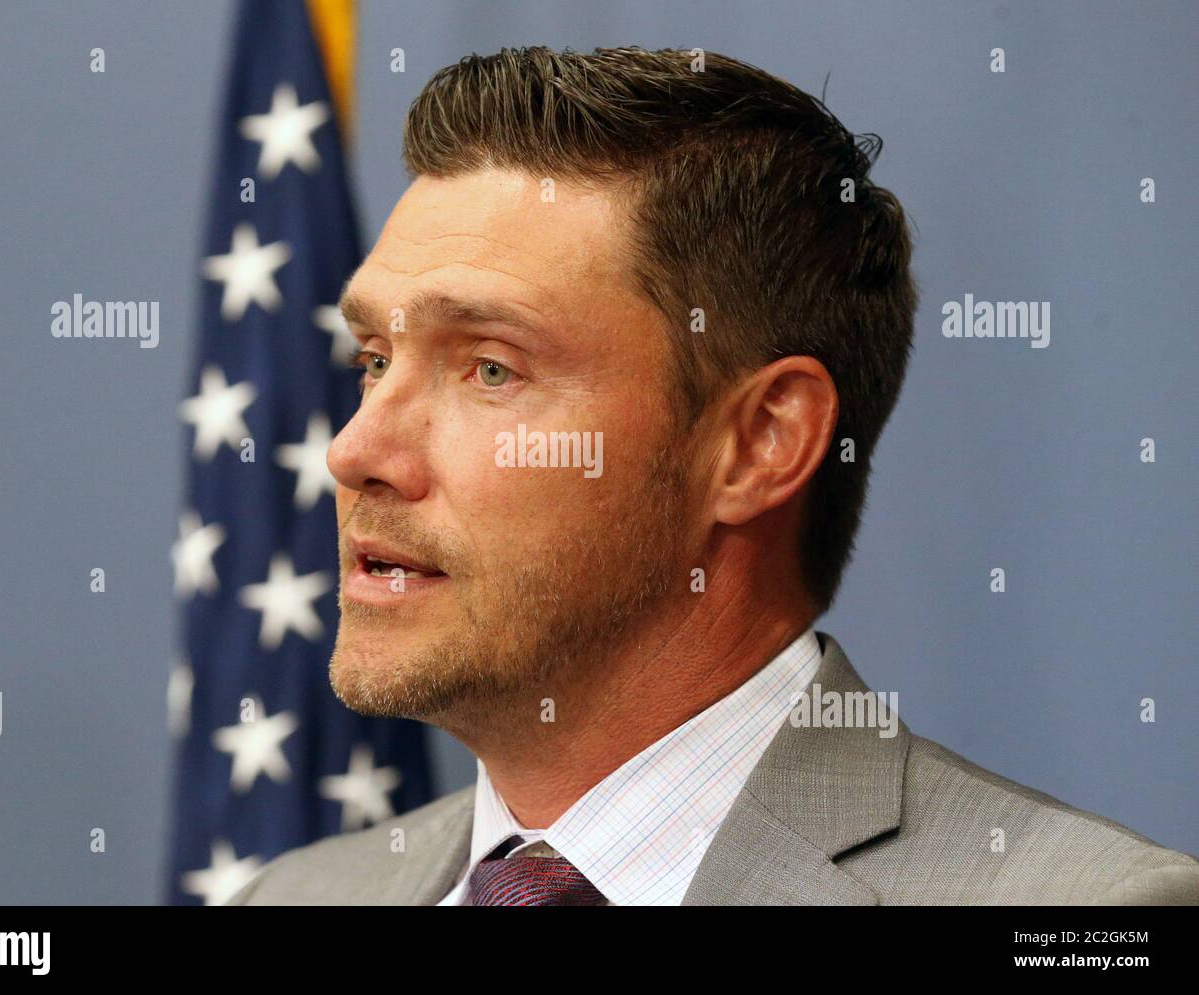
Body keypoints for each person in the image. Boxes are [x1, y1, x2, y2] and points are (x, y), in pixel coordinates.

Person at [226, 46, 1198, 905]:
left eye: (489, 367)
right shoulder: (291, 894)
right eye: (373, 360)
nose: (354, 452)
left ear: (758, 442)